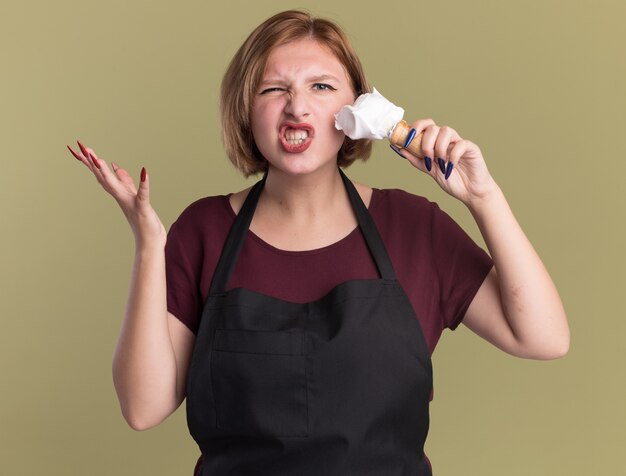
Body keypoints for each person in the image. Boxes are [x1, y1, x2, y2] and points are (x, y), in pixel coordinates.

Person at [67, 9, 569, 476]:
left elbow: (544, 338)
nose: (297, 106)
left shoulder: (416, 227)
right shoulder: (202, 231)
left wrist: (483, 197)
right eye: (273, 90)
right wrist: (149, 244)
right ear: (246, 110)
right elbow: (141, 406)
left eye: (321, 86)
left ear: (355, 110)